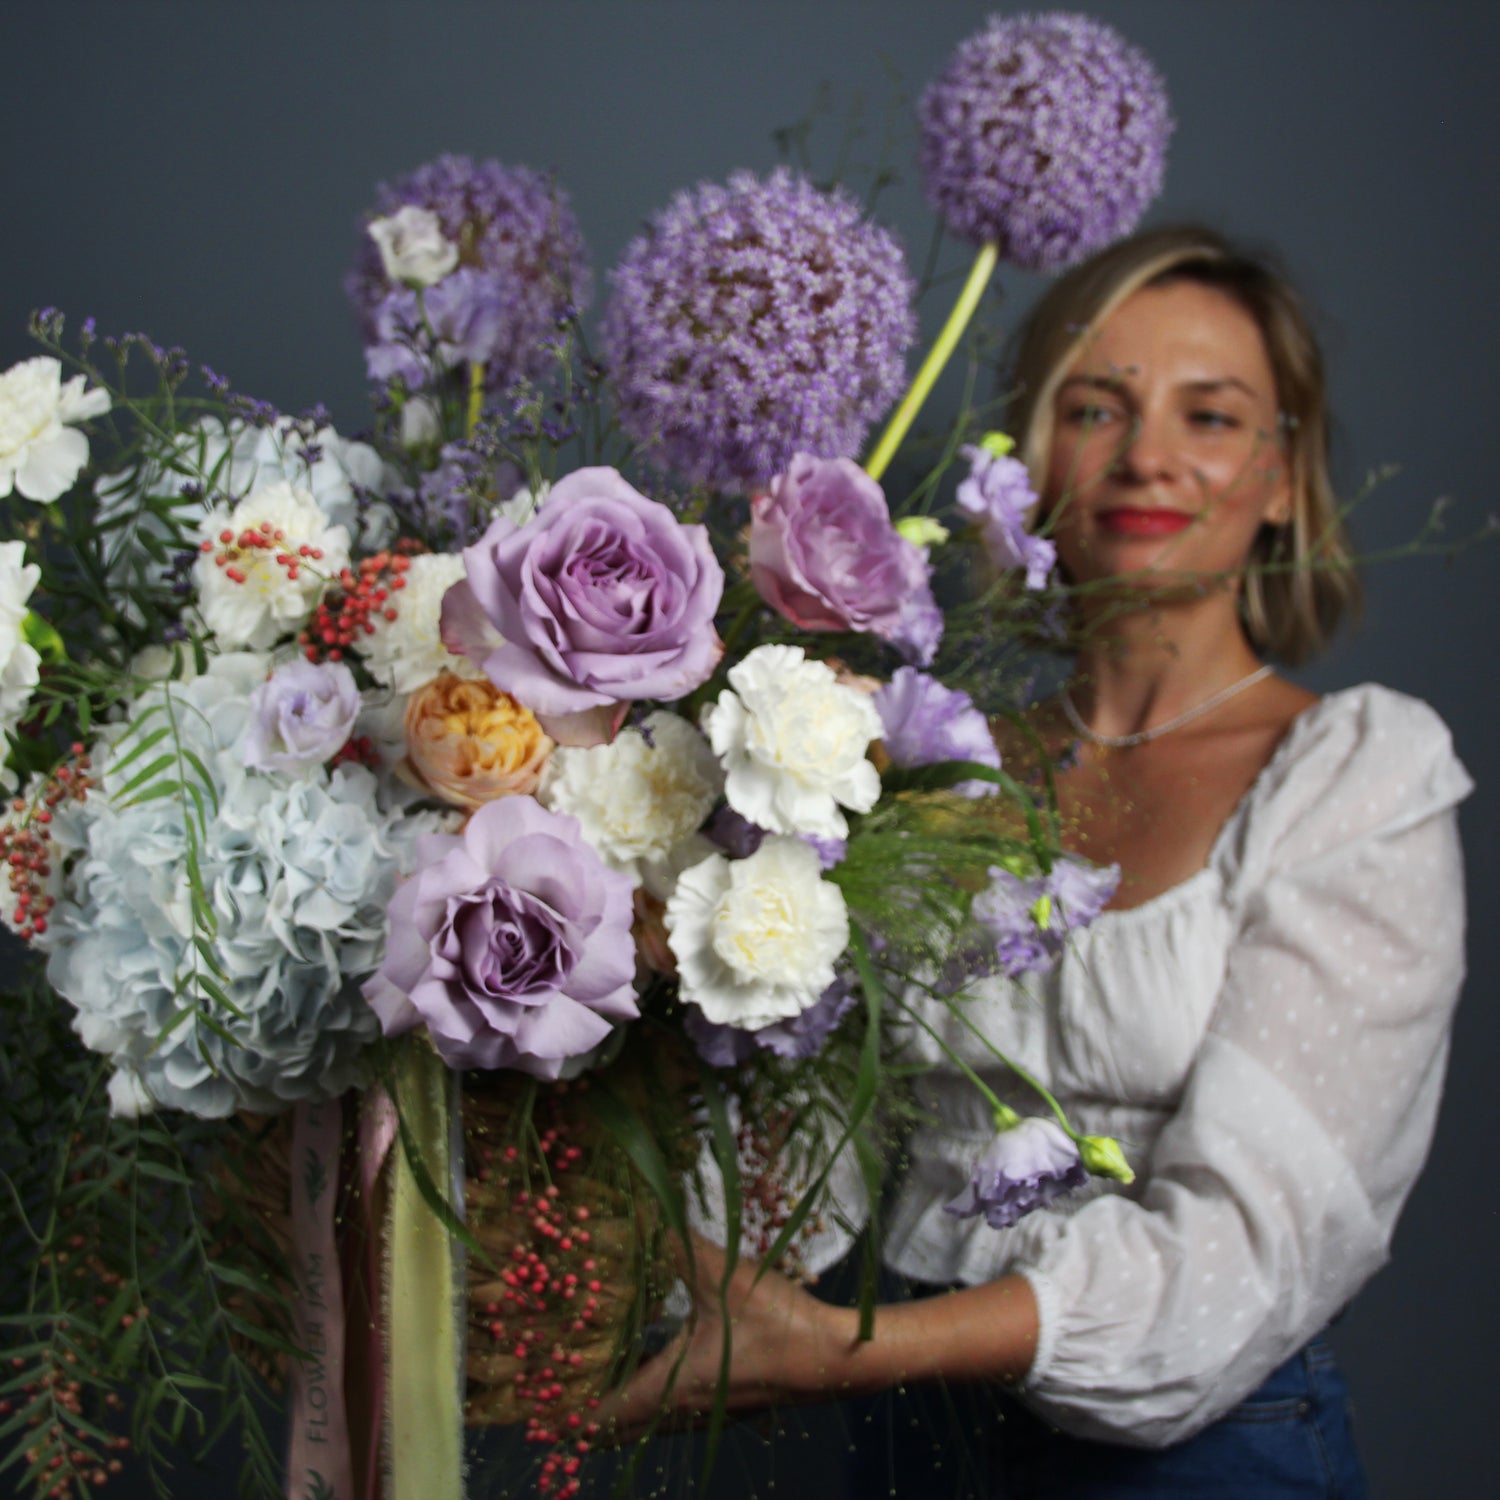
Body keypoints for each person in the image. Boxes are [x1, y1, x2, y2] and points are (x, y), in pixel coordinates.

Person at [605, 225, 1473, 1497]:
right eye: (1095, 407)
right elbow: (809, 1138)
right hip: (910, 1444)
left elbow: (1260, 1243)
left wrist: (857, 1351)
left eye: (1213, 416)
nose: (1149, 456)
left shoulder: (1355, 779)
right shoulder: (919, 757)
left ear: (1287, 476)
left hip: (1206, 1453)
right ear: (1027, 454)